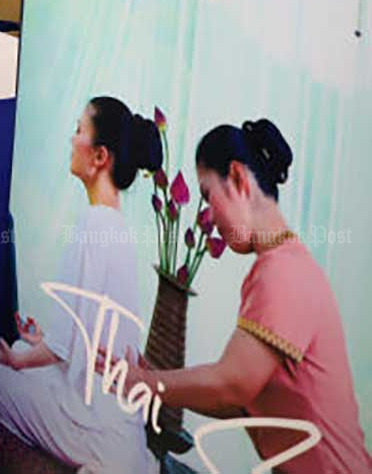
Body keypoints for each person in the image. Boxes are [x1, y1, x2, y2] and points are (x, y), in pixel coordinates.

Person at [119, 121, 372, 474]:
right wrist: (156, 381)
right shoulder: (281, 264)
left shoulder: (283, 273)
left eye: (208, 196)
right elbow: (241, 399)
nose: (207, 216)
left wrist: (144, 382)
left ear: (238, 178)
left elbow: (231, 386)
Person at [0, 97, 160, 474]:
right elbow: (87, 338)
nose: (72, 140)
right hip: (117, 426)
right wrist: (37, 344)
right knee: (22, 346)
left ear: (100, 156)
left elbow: (68, 343)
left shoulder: (93, 224)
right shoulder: (116, 226)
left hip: (93, 430)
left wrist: (18, 360)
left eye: (79, 130)